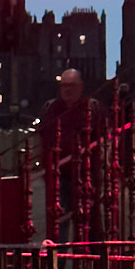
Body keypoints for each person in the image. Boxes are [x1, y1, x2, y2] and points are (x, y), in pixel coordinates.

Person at [38, 69, 109, 241]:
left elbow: (104, 138)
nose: (67, 90)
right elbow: (43, 139)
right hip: (59, 176)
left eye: (71, 86)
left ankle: (93, 261)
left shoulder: (92, 108)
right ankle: (58, 264)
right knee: (59, 225)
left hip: (86, 176)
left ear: (80, 87)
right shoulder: (52, 109)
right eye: (64, 86)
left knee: (90, 224)